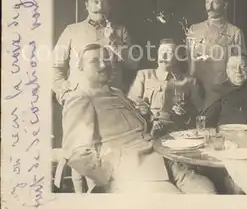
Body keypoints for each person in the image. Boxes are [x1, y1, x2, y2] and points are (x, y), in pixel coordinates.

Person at [57, 43, 216, 194]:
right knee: (176, 205)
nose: (104, 65)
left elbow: (136, 127)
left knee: (208, 191)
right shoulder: (80, 98)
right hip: (134, 172)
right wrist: (109, 178)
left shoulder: (117, 93)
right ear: (80, 67)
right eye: (95, 61)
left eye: (106, 60)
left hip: (162, 159)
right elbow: (76, 153)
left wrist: (145, 114)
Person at [52, 0, 139, 105]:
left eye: (105, 2)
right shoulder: (72, 30)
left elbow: (133, 64)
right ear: (87, 5)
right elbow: (54, 67)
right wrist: (64, 93)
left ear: (110, 7)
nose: (100, 7)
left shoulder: (120, 31)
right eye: (95, 2)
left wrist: (115, 40)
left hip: (112, 101)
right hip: (79, 100)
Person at [127, 38, 204, 136]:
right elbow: (130, 105)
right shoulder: (144, 75)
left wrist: (185, 112)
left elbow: (199, 112)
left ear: (177, 57)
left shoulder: (190, 81)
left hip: (176, 131)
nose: (163, 56)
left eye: (169, 53)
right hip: (147, 128)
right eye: (161, 52)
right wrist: (142, 110)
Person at [187, 0, 246, 95]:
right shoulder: (194, 30)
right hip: (197, 90)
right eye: (207, 2)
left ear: (225, 5)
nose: (210, 7)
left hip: (223, 91)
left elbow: (241, 66)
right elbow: (189, 62)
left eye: (215, 3)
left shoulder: (235, 32)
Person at [203, 56, 247, 127]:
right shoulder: (217, 91)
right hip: (226, 135)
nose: (238, 71)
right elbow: (207, 123)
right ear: (227, 71)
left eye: (242, 67)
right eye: (233, 68)